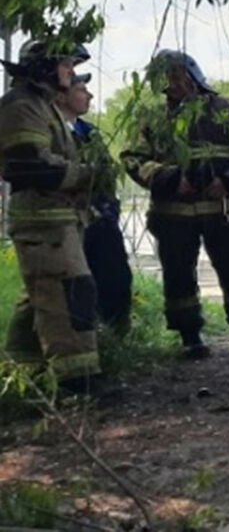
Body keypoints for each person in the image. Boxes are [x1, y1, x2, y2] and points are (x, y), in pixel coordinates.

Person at [121, 50, 229, 359]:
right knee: (178, 275)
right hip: (173, 213)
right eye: (165, 79)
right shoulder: (151, 119)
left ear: (193, 75)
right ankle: (190, 336)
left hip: (224, 210)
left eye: (177, 76)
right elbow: (132, 158)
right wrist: (168, 179)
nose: (171, 84)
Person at [0, 40, 110, 395]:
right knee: (70, 294)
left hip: (53, 220)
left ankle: (22, 373)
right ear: (45, 67)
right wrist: (88, 175)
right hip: (42, 221)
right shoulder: (21, 106)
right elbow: (30, 165)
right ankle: (78, 382)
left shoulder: (40, 105)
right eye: (65, 65)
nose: (71, 72)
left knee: (41, 296)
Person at [56, 73, 133, 334]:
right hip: (67, 222)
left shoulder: (89, 133)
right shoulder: (52, 130)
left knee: (116, 278)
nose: (89, 95)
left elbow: (106, 175)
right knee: (76, 286)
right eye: (81, 90)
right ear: (62, 95)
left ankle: (115, 335)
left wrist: (109, 208)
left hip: (99, 220)